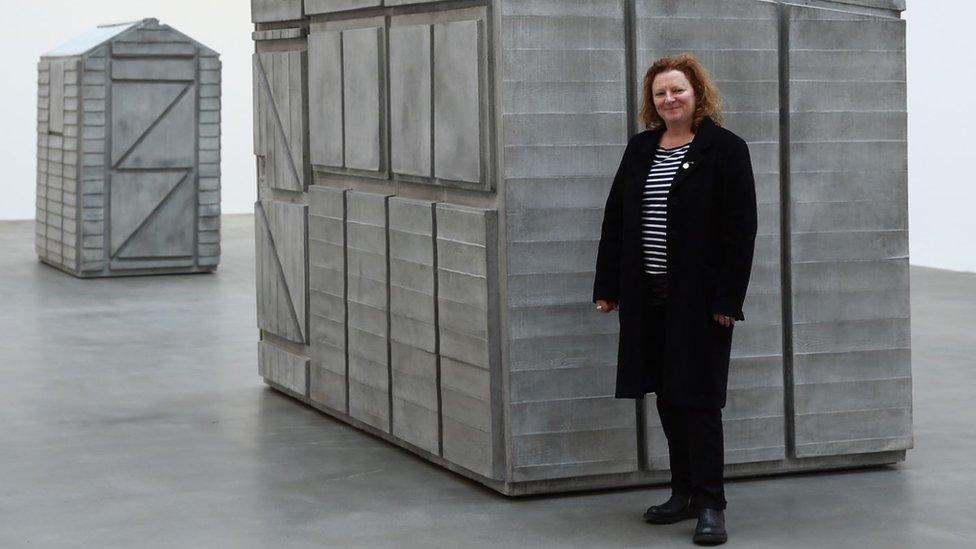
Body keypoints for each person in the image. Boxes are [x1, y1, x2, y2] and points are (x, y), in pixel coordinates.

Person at [592, 53, 757, 546]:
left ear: (697, 93)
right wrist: (608, 287)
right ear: (652, 101)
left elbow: (740, 230)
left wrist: (728, 297)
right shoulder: (641, 148)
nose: (669, 99)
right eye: (660, 93)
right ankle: (682, 492)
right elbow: (616, 218)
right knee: (666, 396)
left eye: (678, 90)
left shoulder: (725, 149)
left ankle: (712, 504)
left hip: (701, 302)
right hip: (649, 298)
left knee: (699, 400)